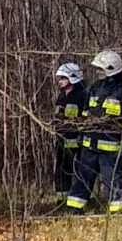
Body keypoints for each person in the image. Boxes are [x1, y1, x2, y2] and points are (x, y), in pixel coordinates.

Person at [70, 49, 122, 214]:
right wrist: (81, 133)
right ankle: (74, 208)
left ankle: (118, 211)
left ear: (111, 69)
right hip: (89, 145)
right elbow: (86, 113)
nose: (97, 72)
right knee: (82, 178)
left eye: (100, 69)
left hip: (112, 148)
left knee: (115, 180)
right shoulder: (94, 88)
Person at [50, 61, 89, 202]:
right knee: (61, 171)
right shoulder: (62, 96)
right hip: (61, 140)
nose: (60, 81)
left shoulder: (82, 96)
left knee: (78, 172)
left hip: (76, 142)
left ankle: (79, 199)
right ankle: (61, 199)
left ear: (72, 77)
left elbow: (85, 119)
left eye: (63, 78)